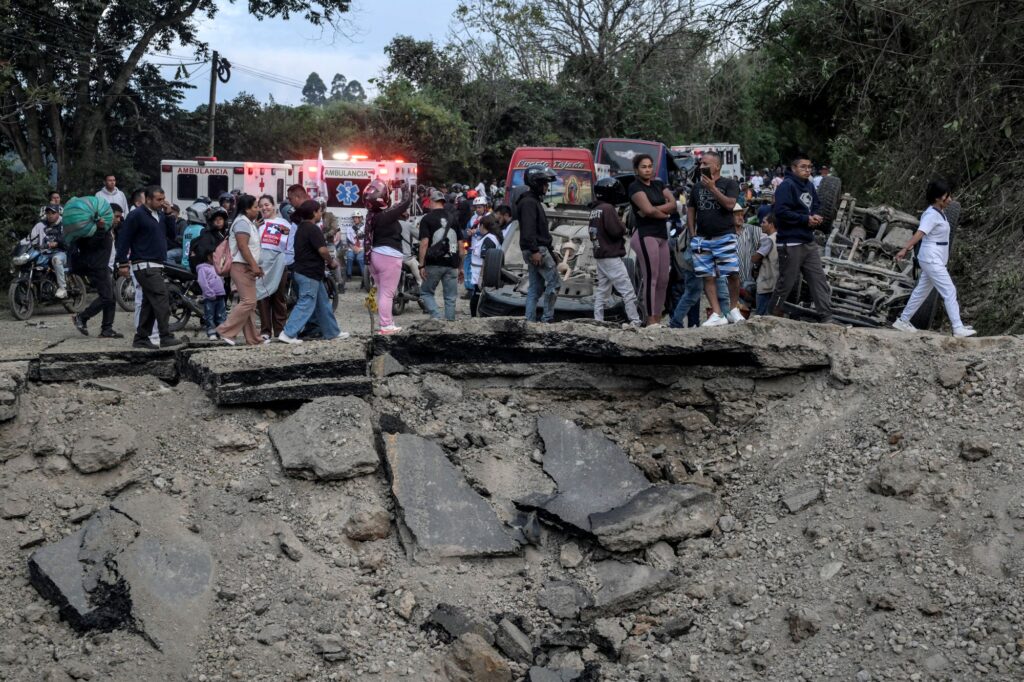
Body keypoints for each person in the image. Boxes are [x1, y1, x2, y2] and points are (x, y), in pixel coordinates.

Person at [892, 180, 976, 337]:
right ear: (938, 198)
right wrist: (905, 248)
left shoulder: (939, 212)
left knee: (921, 291)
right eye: (947, 196)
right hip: (931, 258)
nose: (950, 199)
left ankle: (903, 320)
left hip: (934, 257)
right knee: (949, 290)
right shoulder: (931, 214)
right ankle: (957, 327)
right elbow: (920, 233)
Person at [114, 185, 184, 349]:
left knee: (149, 302)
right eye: (159, 200)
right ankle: (165, 335)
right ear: (148, 199)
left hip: (157, 264)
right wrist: (122, 262)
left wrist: (169, 215)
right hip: (144, 265)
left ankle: (141, 338)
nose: (162, 202)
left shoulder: (160, 215)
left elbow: (172, 236)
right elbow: (124, 238)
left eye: (163, 199)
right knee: (162, 297)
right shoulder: (136, 215)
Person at [768, 153, 834, 323]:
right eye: (803, 167)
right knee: (786, 283)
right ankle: (770, 317)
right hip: (790, 242)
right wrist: (805, 219)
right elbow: (780, 212)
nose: (807, 170)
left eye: (809, 167)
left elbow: (816, 204)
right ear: (793, 168)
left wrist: (816, 215)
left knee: (818, 280)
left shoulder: (809, 185)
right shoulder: (786, 186)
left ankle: (826, 317)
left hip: (808, 241)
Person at [278, 200, 347, 344]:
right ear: (314, 213)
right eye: (319, 211)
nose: (321, 213)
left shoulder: (301, 227)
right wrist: (331, 262)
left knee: (323, 304)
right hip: (308, 273)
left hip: (309, 273)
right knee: (306, 302)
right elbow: (323, 250)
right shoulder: (313, 229)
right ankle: (288, 333)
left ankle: (332, 332)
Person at [687, 151, 743, 327]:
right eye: (701, 163)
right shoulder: (696, 187)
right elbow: (691, 210)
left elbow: (730, 205)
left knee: (732, 273)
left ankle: (733, 309)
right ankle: (717, 313)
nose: (701, 167)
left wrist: (712, 188)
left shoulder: (729, 183)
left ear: (717, 166)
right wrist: (692, 233)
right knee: (707, 276)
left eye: (706, 164)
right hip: (702, 238)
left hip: (724, 235)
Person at [628, 154, 677, 326]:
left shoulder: (658, 184)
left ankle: (657, 316)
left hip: (662, 235)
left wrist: (656, 211)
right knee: (651, 278)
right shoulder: (635, 187)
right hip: (645, 234)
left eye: (650, 166)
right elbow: (648, 211)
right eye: (643, 167)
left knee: (664, 279)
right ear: (636, 170)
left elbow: (673, 204)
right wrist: (663, 213)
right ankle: (650, 319)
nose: (647, 169)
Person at [589, 177, 641, 327]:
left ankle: (598, 320)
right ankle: (635, 321)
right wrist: (623, 226)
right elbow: (616, 230)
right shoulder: (607, 208)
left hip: (601, 255)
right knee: (627, 290)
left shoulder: (595, 209)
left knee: (602, 290)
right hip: (611, 256)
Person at [364, 180, 414, 335]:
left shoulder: (372, 215)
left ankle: (387, 323)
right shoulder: (386, 215)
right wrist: (405, 188)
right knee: (387, 294)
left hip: (374, 256)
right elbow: (406, 202)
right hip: (389, 256)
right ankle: (386, 325)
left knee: (382, 292)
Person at [215, 194, 264, 346]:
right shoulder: (242, 223)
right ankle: (225, 331)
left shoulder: (248, 223)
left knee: (250, 304)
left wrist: (256, 265)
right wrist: (254, 266)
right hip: (241, 266)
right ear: (247, 209)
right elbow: (243, 247)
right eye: (255, 207)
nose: (258, 209)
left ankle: (253, 339)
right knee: (248, 302)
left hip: (245, 266)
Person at [518, 167, 560, 323]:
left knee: (535, 289)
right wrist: (535, 251)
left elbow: (540, 231)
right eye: (545, 184)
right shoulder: (529, 202)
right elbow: (529, 230)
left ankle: (529, 321)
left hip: (537, 249)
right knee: (555, 283)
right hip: (536, 249)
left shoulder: (531, 201)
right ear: (536, 183)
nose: (547, 187)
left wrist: (551, 252)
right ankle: (547, 319)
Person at [71, 213, 120, 338]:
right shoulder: (92, 229)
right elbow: (90, 246)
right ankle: (82, 317)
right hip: (97, 267)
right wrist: (100, 229)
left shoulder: (108, 229)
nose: (118, 219)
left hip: (105, 267)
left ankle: (107, 329)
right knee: (107, 297)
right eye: (116, 216)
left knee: (111, 297)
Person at [418, 190, 463, 321]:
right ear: (443, 202)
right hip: (452, 265)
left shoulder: (427, 219)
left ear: (432, 201)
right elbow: (461, 247)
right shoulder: (453, 219)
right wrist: (460, 267)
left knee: (426, 292)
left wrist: (421, 265)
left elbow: (424, 244)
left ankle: (437, 318)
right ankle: (449, 324)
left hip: (433, 264)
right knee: (450, 297)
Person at [255, 195, 292, 342]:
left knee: (278, 296)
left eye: (267, 205)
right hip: (261, 265)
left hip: (279, 265)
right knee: (262, 297)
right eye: (261, 206)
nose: (264, 208)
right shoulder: (256, 224)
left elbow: (289, 244)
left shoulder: (284, 223)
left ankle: (280, 329)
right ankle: (265, 331)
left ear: (274, 205)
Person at [30, 205, 69, 299]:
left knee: (56, 259)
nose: (50, 215)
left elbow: (67, 238)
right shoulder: (40, 225)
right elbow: (31, 238)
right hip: (44, 253)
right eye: (48, 213)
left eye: (53, 213)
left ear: (58, 213)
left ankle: (62, 288)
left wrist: (57, 243)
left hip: (61, 253)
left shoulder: (63, 223)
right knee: (31, 261)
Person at [469, 214, 502, 317]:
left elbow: (485, 259)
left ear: (482, 225)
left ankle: (475, 317)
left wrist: (481, 277)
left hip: (481, 273)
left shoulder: (488, 239)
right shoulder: (489, 237)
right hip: (479, 272)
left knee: (477, 297)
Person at [751, 213, 778, 316]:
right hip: (774, 281)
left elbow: (755, 258)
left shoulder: (769, 240)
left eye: (764, 222)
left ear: (771, 225)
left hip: (765, 283)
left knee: (760, 315)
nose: (761, 224)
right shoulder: (778, 237)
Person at [196, 250, 227, 340]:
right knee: (209, 316)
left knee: (221, 315)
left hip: (220, 295)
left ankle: (221, 332)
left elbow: (221, 279)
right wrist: (209, 293)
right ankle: (211, 332)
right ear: (209, 257)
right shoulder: (202, 269)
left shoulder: (216, 267)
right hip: (210, 297)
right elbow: (202, 282)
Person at [399, 209, 422, 288]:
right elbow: (420, 236)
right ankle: (420, 286)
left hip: (390, 257)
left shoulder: (389, 225)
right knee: (420, 277)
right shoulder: (408, 225)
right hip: (405, 258)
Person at [345, 212, 366, 280]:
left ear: (361, 218)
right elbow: (348, 241)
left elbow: (367, 241)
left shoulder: (365, 228)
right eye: (354, 217)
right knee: (349, 256)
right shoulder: (349, 228)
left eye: (357, 217)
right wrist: (353, 248)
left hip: (362, 248)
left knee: (359, 258)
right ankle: (349, 275)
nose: (355, 219)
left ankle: (364, 276)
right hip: (352, 248)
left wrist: (361, 249)